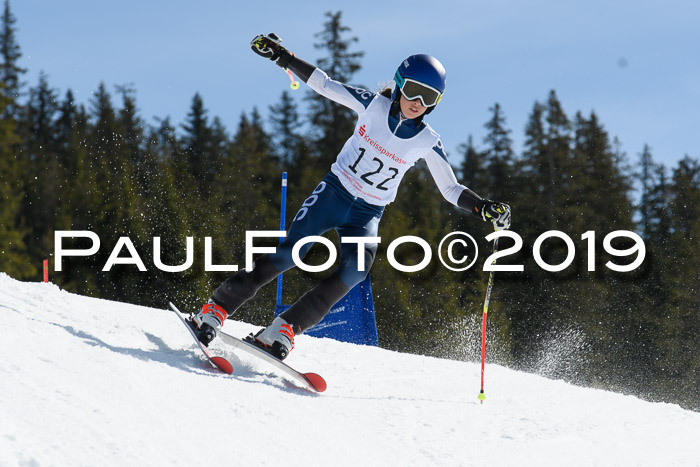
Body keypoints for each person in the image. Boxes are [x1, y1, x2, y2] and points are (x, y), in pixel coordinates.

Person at [189, 33, 511, 360]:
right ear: (399, 85)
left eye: (428, 97)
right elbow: (325, 84)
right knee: (288, 255)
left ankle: (284, 328)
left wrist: (482, 207)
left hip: (367, 214)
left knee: (356, 270)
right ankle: (215, 309)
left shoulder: (428, 140)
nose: (417, 102)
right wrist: (283, 57)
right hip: (335, 193)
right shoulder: (373, 106)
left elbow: (450, 188)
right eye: (413, 90)